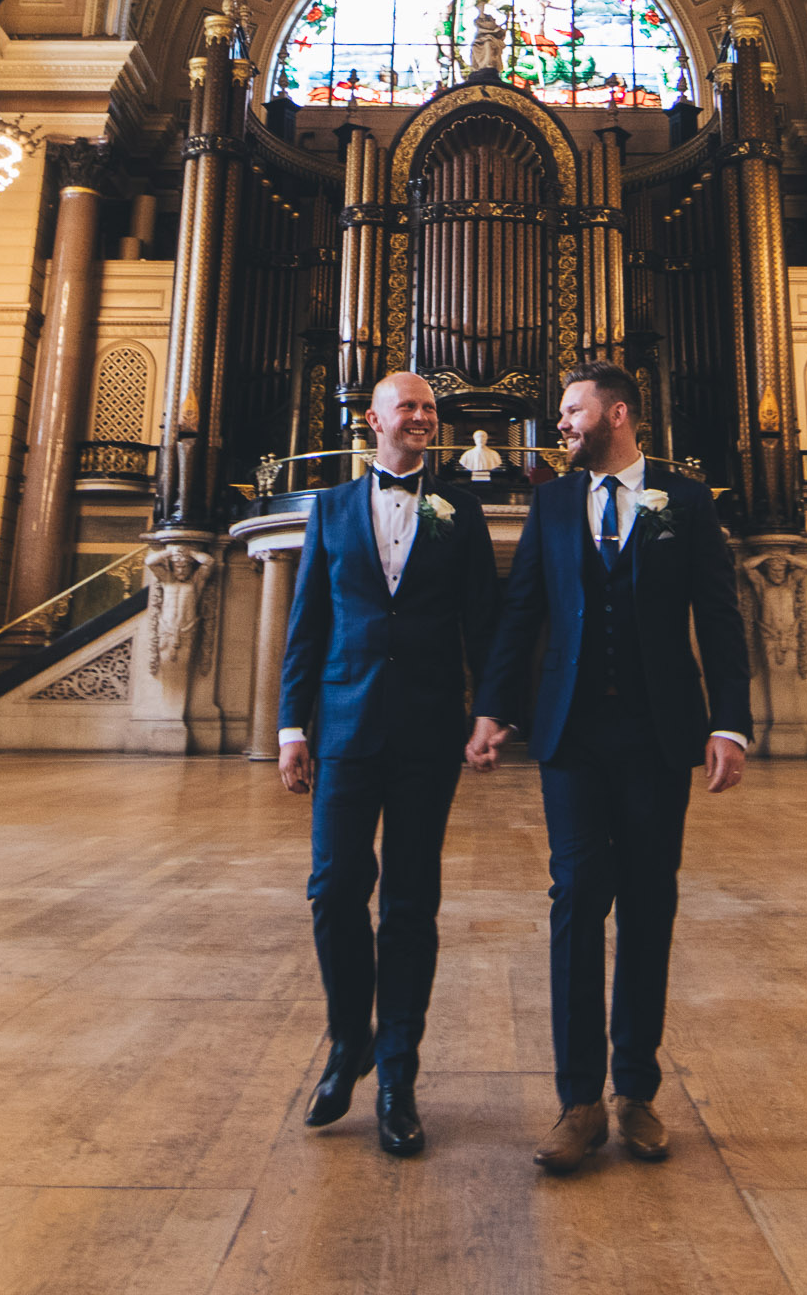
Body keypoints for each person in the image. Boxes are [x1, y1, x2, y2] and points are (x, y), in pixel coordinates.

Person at [468, 361, 753, 1176]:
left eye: (571, 411)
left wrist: (729, 722)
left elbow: (720, 618)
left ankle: (636, 1091)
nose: (559, 424)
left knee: (650, 901)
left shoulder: (686, 501)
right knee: (575, 900)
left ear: (617, 413)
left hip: (662, 733)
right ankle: (577, 1101)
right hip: (572, 735)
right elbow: (524, 610)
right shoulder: (553, 501)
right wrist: (493, 708)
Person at [276, 369, 501, 1157]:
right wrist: (289, 728)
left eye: (430, 409)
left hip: (430, 730)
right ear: (371, 420)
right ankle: (349, 1044)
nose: (422, 417)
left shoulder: (461, 509)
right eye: (407, 406)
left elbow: (485, 619)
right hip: (343, 724)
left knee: (410, 904)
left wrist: (489, 712)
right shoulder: (332, 508)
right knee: (334, 889)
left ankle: (399, 1075)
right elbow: (308, 623)